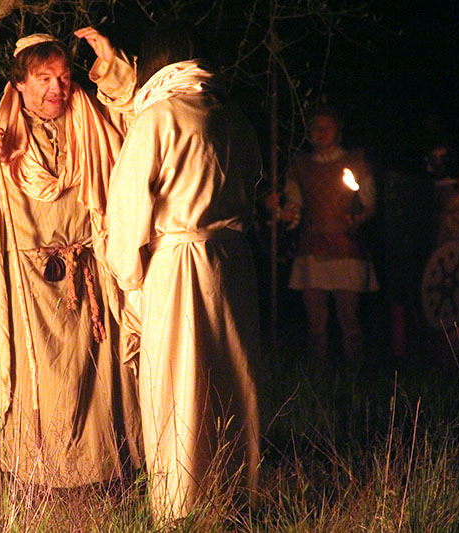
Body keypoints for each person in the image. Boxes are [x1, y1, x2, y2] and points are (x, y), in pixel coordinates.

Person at [0, 30, 143, 487]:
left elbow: (138, 124)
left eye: (65, 77)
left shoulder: (91, 123)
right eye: (44, 77)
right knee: (35, 384)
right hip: (23, 289)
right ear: (21, 84)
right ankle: (31, 476)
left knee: (93, 378)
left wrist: (111, 65)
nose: (57, 88)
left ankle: (101, 473)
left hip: (87, 278)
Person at [104, 21, 261, 521]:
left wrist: (129, 281)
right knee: (231, 381)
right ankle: (237, 496)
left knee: (178, 383)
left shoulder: (159, 117)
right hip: (233, 265)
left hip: (179, 265)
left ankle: (182, 507)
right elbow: (253, 184)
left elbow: (128, 209)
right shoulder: (232, 115)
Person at [268, 105, 378, 364]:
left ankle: (356, 377)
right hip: (312, 247)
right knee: (316, 322)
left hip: (346, 248)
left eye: (325, 127)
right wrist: (281, 212)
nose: (319, 133)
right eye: (314, 128)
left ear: (337, 130)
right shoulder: (301, 165)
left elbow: (369, 204)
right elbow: (294, 209)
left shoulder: (355, 162)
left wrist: (359, 218)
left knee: (349, 319)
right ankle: (317, 379)